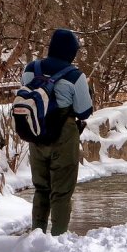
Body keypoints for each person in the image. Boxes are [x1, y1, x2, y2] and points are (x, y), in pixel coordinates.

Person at [21, 28, 94, 235]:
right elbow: (84, 111)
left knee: (41, 189)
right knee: (61, 192)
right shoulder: (75, 76)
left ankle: (37, 237)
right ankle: (58, 239)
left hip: (36, 134)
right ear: (72, 52)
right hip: (64, 136)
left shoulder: (30, 69)